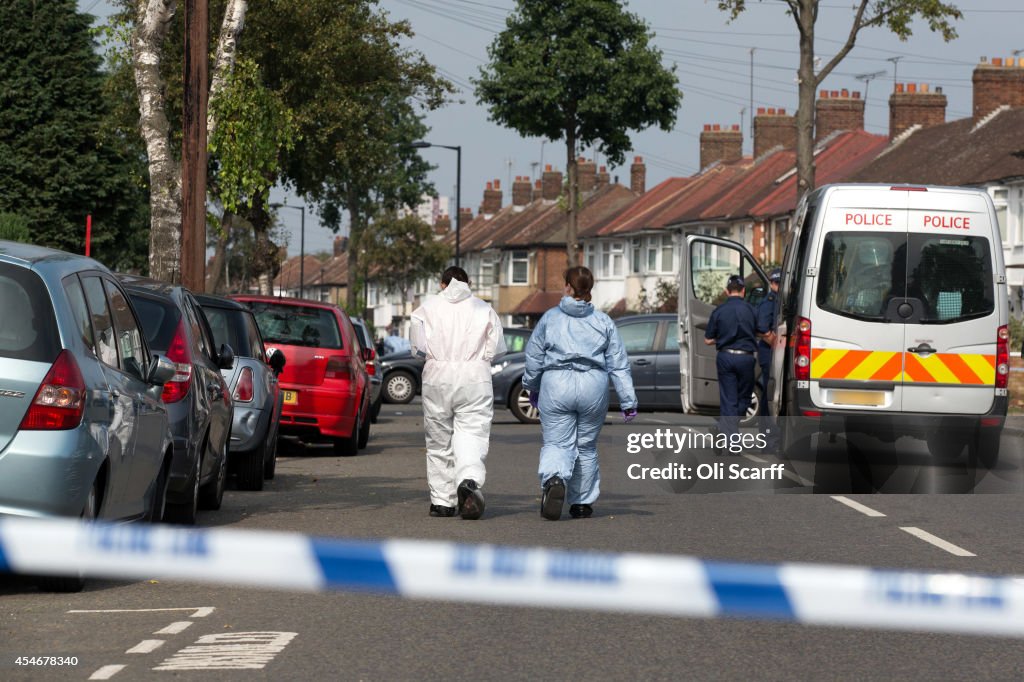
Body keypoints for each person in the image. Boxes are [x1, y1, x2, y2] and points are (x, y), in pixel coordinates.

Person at [523, 266, 637, 521]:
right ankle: (582, 503)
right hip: (593, 385)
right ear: (590, 289)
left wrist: (532, 386)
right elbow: (618, 363)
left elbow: (534, 356)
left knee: (556, 442)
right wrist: (628, 400)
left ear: (568, 287)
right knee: (586, 447)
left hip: (557, 383)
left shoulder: (550, 318)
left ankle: (554, 479)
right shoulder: (603, 321)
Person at [410, 266, 506, 520]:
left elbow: (417, 349)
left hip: (437, 375)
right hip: (474, 376)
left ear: (442, 284)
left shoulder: (426, 309)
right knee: (472, 433)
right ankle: (469, 481)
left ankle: (442, 502)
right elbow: (497, 349)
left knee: (438, 440)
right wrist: (479, 359)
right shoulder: (484, 308)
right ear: (469, 282)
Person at [704, 274, 759, 448]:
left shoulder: (719, 311)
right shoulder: (751, 310)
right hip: (746, 358)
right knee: (744, 398)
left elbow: (708, 339)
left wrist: (721, 338)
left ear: (727, 291)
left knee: (729, 400)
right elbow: (761, 331)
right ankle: (732, 440)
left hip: (726, 357)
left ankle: (724, 431)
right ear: (743, 291)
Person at [755, 269, 781, 416]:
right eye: (776, 282)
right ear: (771, 284)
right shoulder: (769, 301)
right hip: (769, 351)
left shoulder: (779, 299)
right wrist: (776, 344)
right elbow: (762, 328)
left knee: (773, 391)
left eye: (780, 282)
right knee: (768, 391)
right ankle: (766, 429)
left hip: (773, 351)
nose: (778, 285)